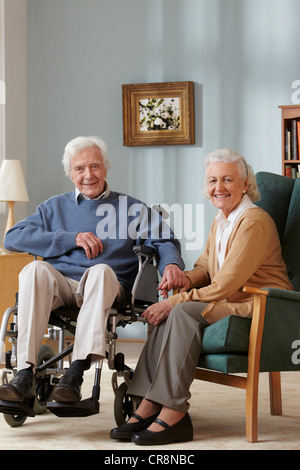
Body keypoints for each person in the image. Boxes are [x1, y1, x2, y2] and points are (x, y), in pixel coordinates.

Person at [110, 148, 294, 446]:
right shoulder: (222, 220)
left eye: (227, 180)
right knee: (171, 311)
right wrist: (184, 278)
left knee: (179, 311)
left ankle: (174, 412)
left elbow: (225, 283)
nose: (218, 188)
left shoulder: (253, 222)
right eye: (212, 181)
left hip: (261, 305)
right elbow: (207, 267)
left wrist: (174, 300)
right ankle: (147, 402)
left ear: (245, 184)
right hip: (231, 300)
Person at [0, 135, 185, 404]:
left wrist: (171, 263)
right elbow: (12, 237)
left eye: (95, 166)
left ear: (106, 168)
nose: (88, 175)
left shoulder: (131, 208)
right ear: (70, 173)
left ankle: (75, 373)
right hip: (62, 286)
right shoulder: (54, 207)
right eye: (80, 168)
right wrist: (69, 238)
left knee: (99, 271)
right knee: (34, 271)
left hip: (109, 286)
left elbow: (164, 239)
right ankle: (24, 373)